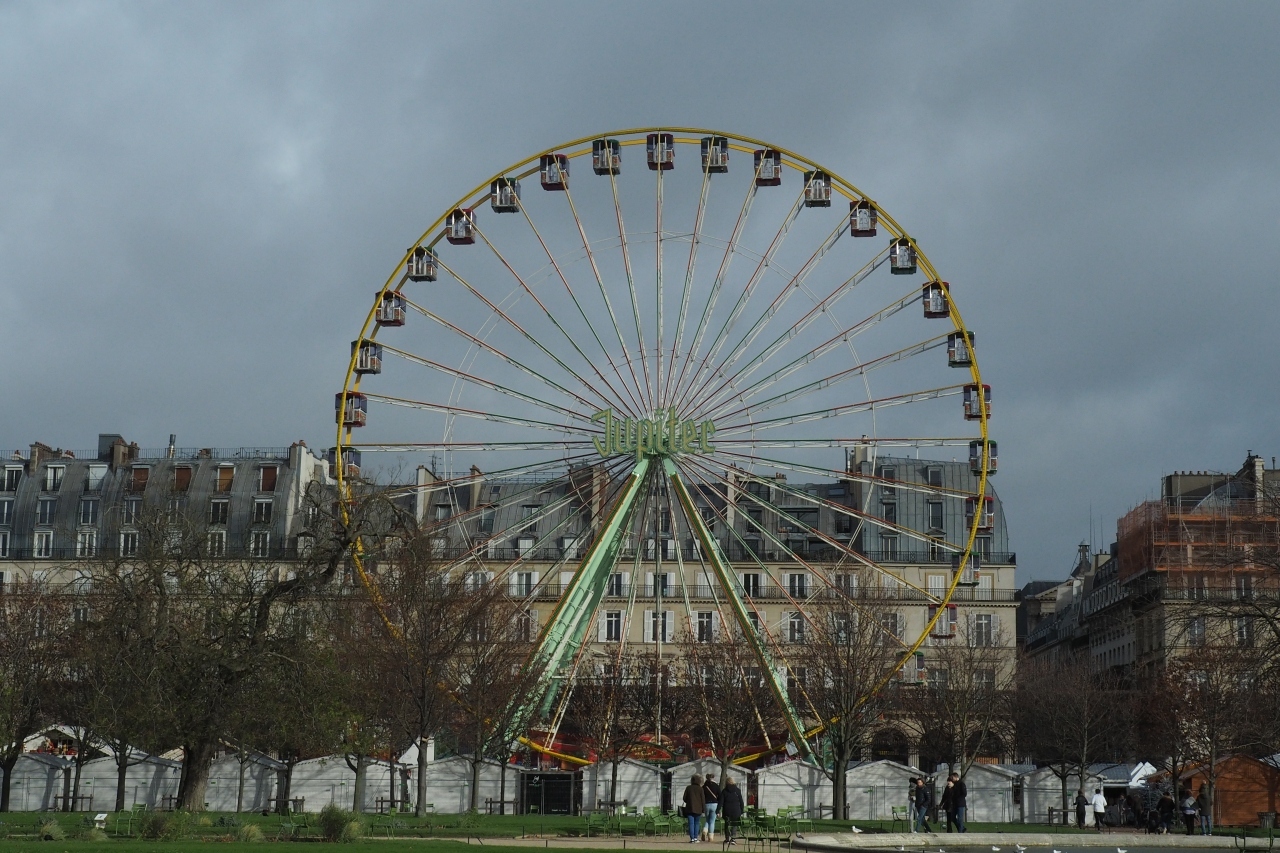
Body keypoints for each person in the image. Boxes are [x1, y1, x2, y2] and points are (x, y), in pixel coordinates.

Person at [721, 776, 745, 846]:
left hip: (727, 810)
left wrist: (717, 810)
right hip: (736, 810)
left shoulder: (724, 791)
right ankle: (733, 838)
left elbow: (721, 802)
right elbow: (741, 801)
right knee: (734, 824)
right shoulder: (737, 790)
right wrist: (742, 810)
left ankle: (727, 838)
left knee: (727, 824)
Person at [683, 774, 707, 842]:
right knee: (697, 823)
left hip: (689, 808)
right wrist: (703, 809)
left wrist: (689, 801)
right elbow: (703, 800)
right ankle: (696, 837)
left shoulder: (688, 788)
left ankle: (692, 838)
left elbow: (684, 798)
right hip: (698, 809)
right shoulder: (700, 789)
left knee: (691, 824)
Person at [703, 772, 721, 841]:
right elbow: (720, 795)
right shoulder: (716, 786)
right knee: (712, 821)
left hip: (706, 804)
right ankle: (710, 836)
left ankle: (704, 830)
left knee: (707, 820)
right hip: (714, 804)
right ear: (713, 777)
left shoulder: (704, 786)